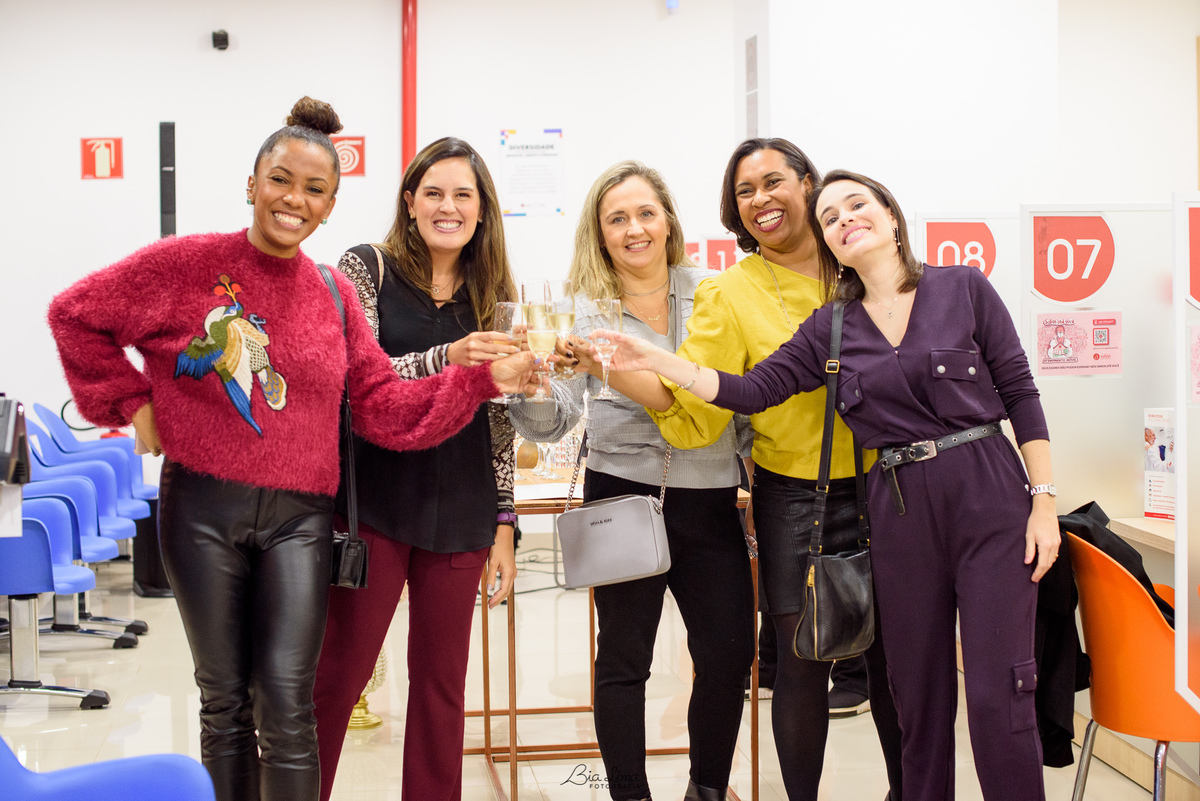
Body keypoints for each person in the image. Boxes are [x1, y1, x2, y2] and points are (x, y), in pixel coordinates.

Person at [46, 98, 534, 801]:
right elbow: (76, 314)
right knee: (225, 704)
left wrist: (480, 378)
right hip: (202, 511)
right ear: (252, 183)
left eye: (314, 190)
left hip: (302, 520)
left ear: (331, 205)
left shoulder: (333, 294)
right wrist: (129, 402)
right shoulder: (187, 264)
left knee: (290, 703)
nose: (293, 200)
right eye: (281, 180)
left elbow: (386, 411)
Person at [598, 169, 1060, 801]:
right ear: (829, 243)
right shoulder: (832, 328)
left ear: (891, 215)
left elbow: (1020, 392)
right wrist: (656, 359)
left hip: (990, 498)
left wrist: (1044, 501)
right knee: (916, 693)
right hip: (897, 510)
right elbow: (750, 390)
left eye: (857, 205)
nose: (846, 220)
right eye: (832, 218)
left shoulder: (964, 289)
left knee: (995, 689)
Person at [595, 140, 903, 801]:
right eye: (744, 191)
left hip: (892, 482)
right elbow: (703, 405)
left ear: (807, 185)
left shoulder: (862, 265)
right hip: (795, 494)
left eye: (773, 182)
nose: (761, 198)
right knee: (793, 665)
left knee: (897, 659)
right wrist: (628, 371)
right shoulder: (728, 293)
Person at [508, 161, 755, 801]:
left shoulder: (717, 294)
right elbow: (555, 419)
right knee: (623, 660)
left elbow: (745, 398)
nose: (634, 229)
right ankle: (629, 794)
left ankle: (706, 788)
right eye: (617, 218)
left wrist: (755, 477)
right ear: (600, 232)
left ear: (669, 220)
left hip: (710, 502)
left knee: (728, 656)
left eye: (645, 213)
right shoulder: (581, 313)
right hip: (621, 498)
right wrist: (530, 385)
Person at [312, 137, 524, 801]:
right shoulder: (365, 268)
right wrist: (452, 357)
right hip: (371, 503)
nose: (448, 206)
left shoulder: (496, 293)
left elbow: (499, 417)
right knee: (336, 678)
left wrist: (505, 520)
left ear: (483, 210)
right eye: (433, 192)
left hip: (462, 506)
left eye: (464, 194)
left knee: (441, 689)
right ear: (409, 201)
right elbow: (358, 379)